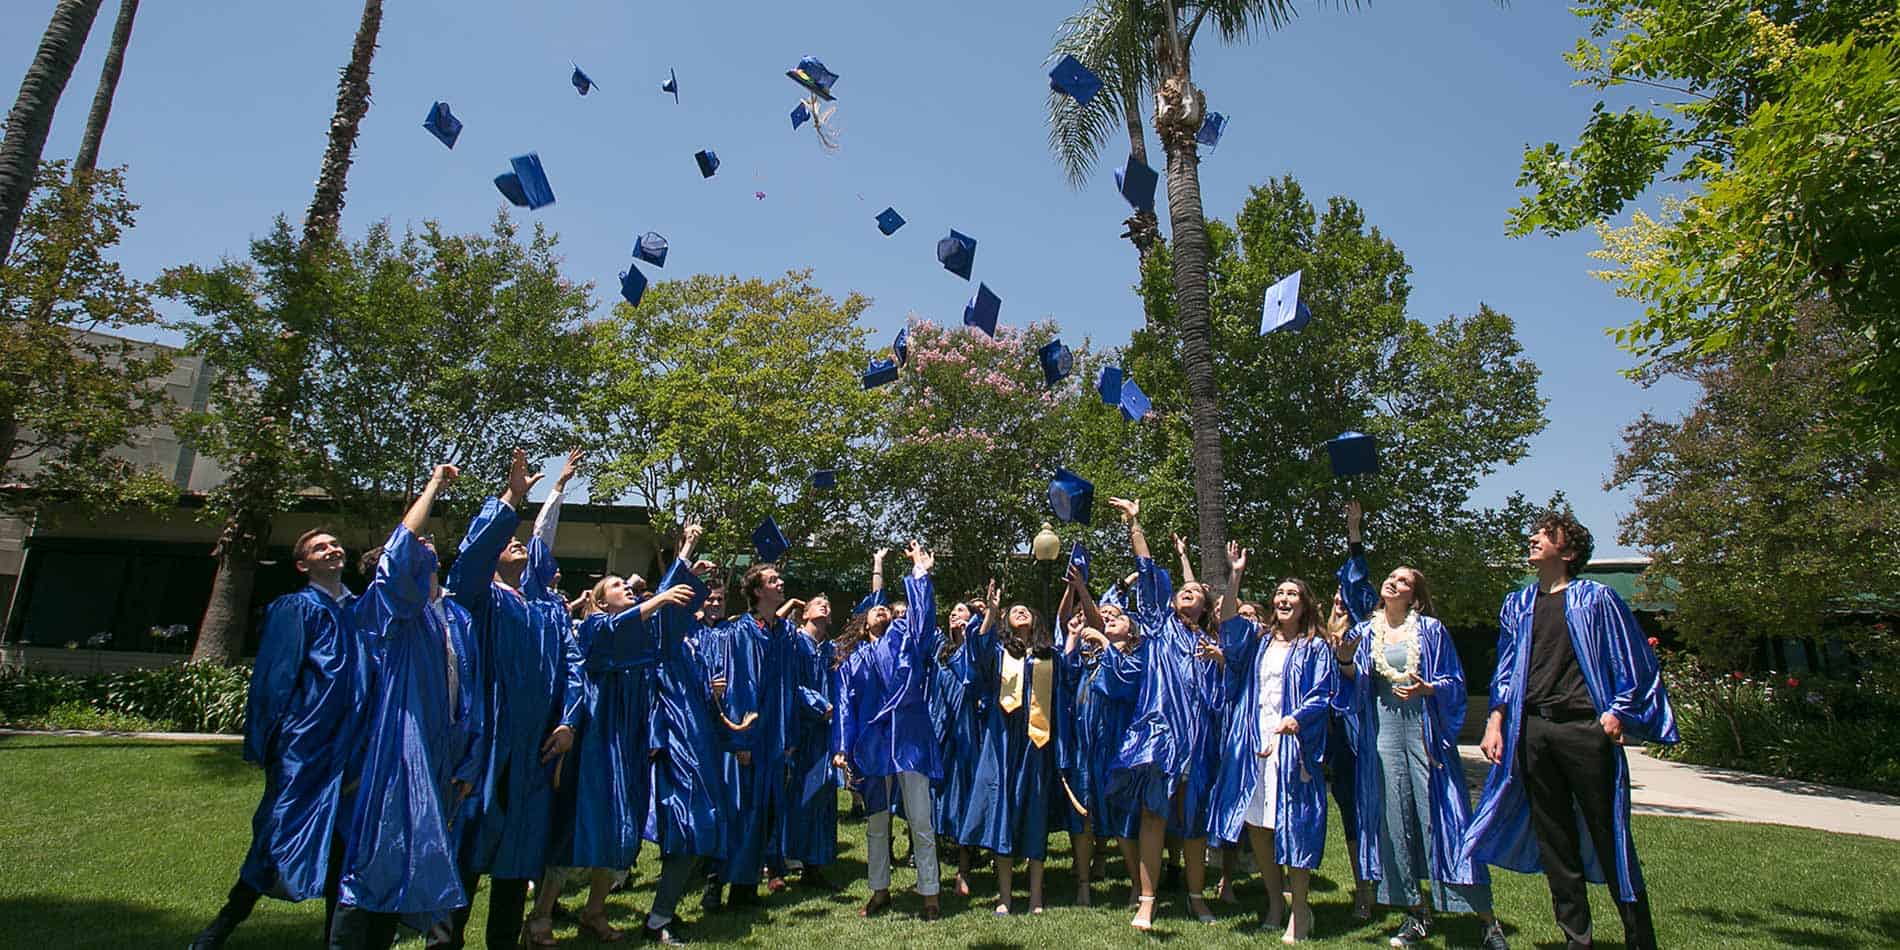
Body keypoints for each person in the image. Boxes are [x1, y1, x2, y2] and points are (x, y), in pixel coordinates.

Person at [1465, 511, 1677, 950]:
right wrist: (1496, 719)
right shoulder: (1518, 604)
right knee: (1555, 841)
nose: (1533, 538)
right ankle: (1577, 940)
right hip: (1534, 730)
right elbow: (1506, 668)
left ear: (1569, 551)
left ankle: (1640, 939)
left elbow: (1632, 658)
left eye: (1546, 534)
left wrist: (1617, 712)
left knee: (1608, 835)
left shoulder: (1596, 599)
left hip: (1584, 730)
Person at [427, 449, 586, 950]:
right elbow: (471, 559)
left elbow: (574, 669)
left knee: (518, 856)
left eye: (521, 541)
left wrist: (569, 722)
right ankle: (444, 942)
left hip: (536, 749)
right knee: (468, 848)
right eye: (507, 541)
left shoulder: (548, 611)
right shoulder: (478, 599)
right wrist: (512, 498)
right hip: (489, 743)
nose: (517, 544)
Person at [327, 464, 484, 948]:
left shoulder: (452, 617)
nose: (426, 541)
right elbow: (398, 554)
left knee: (419, 856)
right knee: (377, 858)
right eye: (418, 541)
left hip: (443, 754)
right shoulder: (393, 611)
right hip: (399, 749)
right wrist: (434, 486)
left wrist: (468, 759)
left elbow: (469, 694)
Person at [192, 528, 369, 949]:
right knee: (276, 838)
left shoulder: (360, 610)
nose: (332, 549)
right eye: (320, 547)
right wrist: (270, 744)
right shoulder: (297, 608)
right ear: (303, 565)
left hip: (352, 747)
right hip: (304, 746)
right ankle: (219, 929)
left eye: (334, 544)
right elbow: (275, 679)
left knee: (345, 846)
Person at [1336, 534, 1509, 950]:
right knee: (1394, 822)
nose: (1393, 582)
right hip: (1383, 735)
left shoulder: (1430, 631)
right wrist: (1343, 657)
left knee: (1443, 822)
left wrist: (1430, 689)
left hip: (1424, 735)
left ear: (1414, 596)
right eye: (1391, 577)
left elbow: (1455, 682)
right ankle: (1416, 912)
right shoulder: (1367, 631)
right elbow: (1351, 680)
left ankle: (1487, 921)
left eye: (1403, 581)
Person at [1205, 544, 1336, 944]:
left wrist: (1298, 719)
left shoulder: (1315, 647)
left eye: (1292, 594)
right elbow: (1229, 622)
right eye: (1279, 593)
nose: (1284, 599)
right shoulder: (1259, 641)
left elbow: (1322, 694)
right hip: (1256, 740)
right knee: (1259, 827)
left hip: (1293, 746)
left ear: (1305, 604)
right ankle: (1275, 903)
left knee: (1293, 827)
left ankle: (1300, 911)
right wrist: (1236, 575)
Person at [1101, 497, 1222, 930]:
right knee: (1153, 816)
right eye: (1184, 591)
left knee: (1193, 821)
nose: (1188, 593)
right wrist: (1135, 524)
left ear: (1205, 608)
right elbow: (1148, 569)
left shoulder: (1211, 644)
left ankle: (1196, 898)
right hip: (1160, 734)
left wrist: (1221, 661)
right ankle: (1147, 900)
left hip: (1198, 740)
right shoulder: (1158, 626)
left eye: (1196, 593)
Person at [643, 521, 747, 944]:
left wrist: (713, 694)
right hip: (679, 744)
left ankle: (661, 913)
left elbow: (702, 696)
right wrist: (686, 550)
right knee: (689, 826)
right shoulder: (668, 640)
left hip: (699, 743)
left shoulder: (693, 643)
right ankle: (658, 917)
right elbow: (668, 596)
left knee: (700, 828)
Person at [835, 541, 945, 920]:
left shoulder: (903, 639)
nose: (882, 609)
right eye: (874, 608)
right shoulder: (852, 662)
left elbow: (922, 620)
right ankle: (879, 890)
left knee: (920, 819)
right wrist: (842, 747)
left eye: (885, 606)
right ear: (863, 623)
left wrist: (920, 572)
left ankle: (930, 893)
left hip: (909, 739)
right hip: (874, 744)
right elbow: (845, 706)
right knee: (877, 823)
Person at [700, 561, 798, 909]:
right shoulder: (741, 631)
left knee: (765, 811)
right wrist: (741, 740)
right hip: (750, 734)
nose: (781, 583)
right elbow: (740, 685)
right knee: (738, 809)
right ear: (758, 591)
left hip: (774, 736)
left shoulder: (783, 632)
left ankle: (744, 888)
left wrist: (788, 737)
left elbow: (789, 686)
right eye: (773, 580)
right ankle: (714, 885)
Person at [961, 579, 1058, 915]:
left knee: (1035, 809)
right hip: (1003, 741)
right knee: (1002, 807)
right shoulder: (1000, 653)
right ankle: (1004, 896)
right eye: (1013, 610)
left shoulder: (1049, 656)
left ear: (1036, 620)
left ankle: (1035, 896)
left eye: (1025, 610)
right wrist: (991, 611)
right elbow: (978, 650)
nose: (1020, 612)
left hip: (1036, 743)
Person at [1054, 565, 1142, 908]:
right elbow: (1065, 675)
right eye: (1103, 615)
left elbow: (1122, 683)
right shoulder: (1088, 656)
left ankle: (1137, 885)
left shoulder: (1135, 657)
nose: (1107, 618)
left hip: (1116, 743)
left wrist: (1103, 638)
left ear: (1131, 631)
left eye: (1115, 616)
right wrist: (1073, 638)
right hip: (1084, 743)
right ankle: (1083, 885)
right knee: (1083, 813)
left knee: (1122, 816)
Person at [1326, 500, 1378, 919]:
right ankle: (1363, 886)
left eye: (1345, 596)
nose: (1339, 600)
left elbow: (1358, 580)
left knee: (1379, 808)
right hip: (1335, 737)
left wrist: (1354, 533)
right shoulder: (1319, 638)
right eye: (1335, 597)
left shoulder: (1367, 633)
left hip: (1367, 730)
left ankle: (1391, 883)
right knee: (1348, 809)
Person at [777, 591, 840, 889]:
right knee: (794, 792)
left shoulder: (833, 649)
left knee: (821, 792)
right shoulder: (794, 642)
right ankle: (782, 859)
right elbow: (790, 682)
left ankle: (814, 863)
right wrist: (820, 705)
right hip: (798, 728)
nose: (825, 606)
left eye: (828, 604)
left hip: (825, 731)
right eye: (818, 603)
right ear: (804, 613)